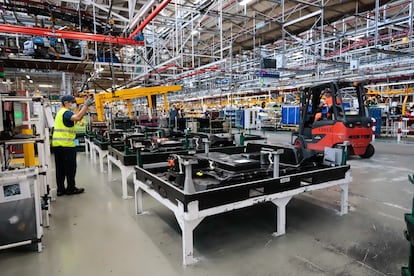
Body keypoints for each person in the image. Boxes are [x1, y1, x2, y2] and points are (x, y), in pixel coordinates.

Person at [52, 94, 94, 196]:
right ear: (66, 103)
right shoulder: (66, 112)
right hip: (66, 145)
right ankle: (71, 188)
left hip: (57, 145)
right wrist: (85, 105)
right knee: (70, 168)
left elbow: (73, 120)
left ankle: (60, 190)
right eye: (71, 102)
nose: (73, 104)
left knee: (60, 169)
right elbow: (78, 117)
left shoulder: (60, 113)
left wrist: (79, 110)